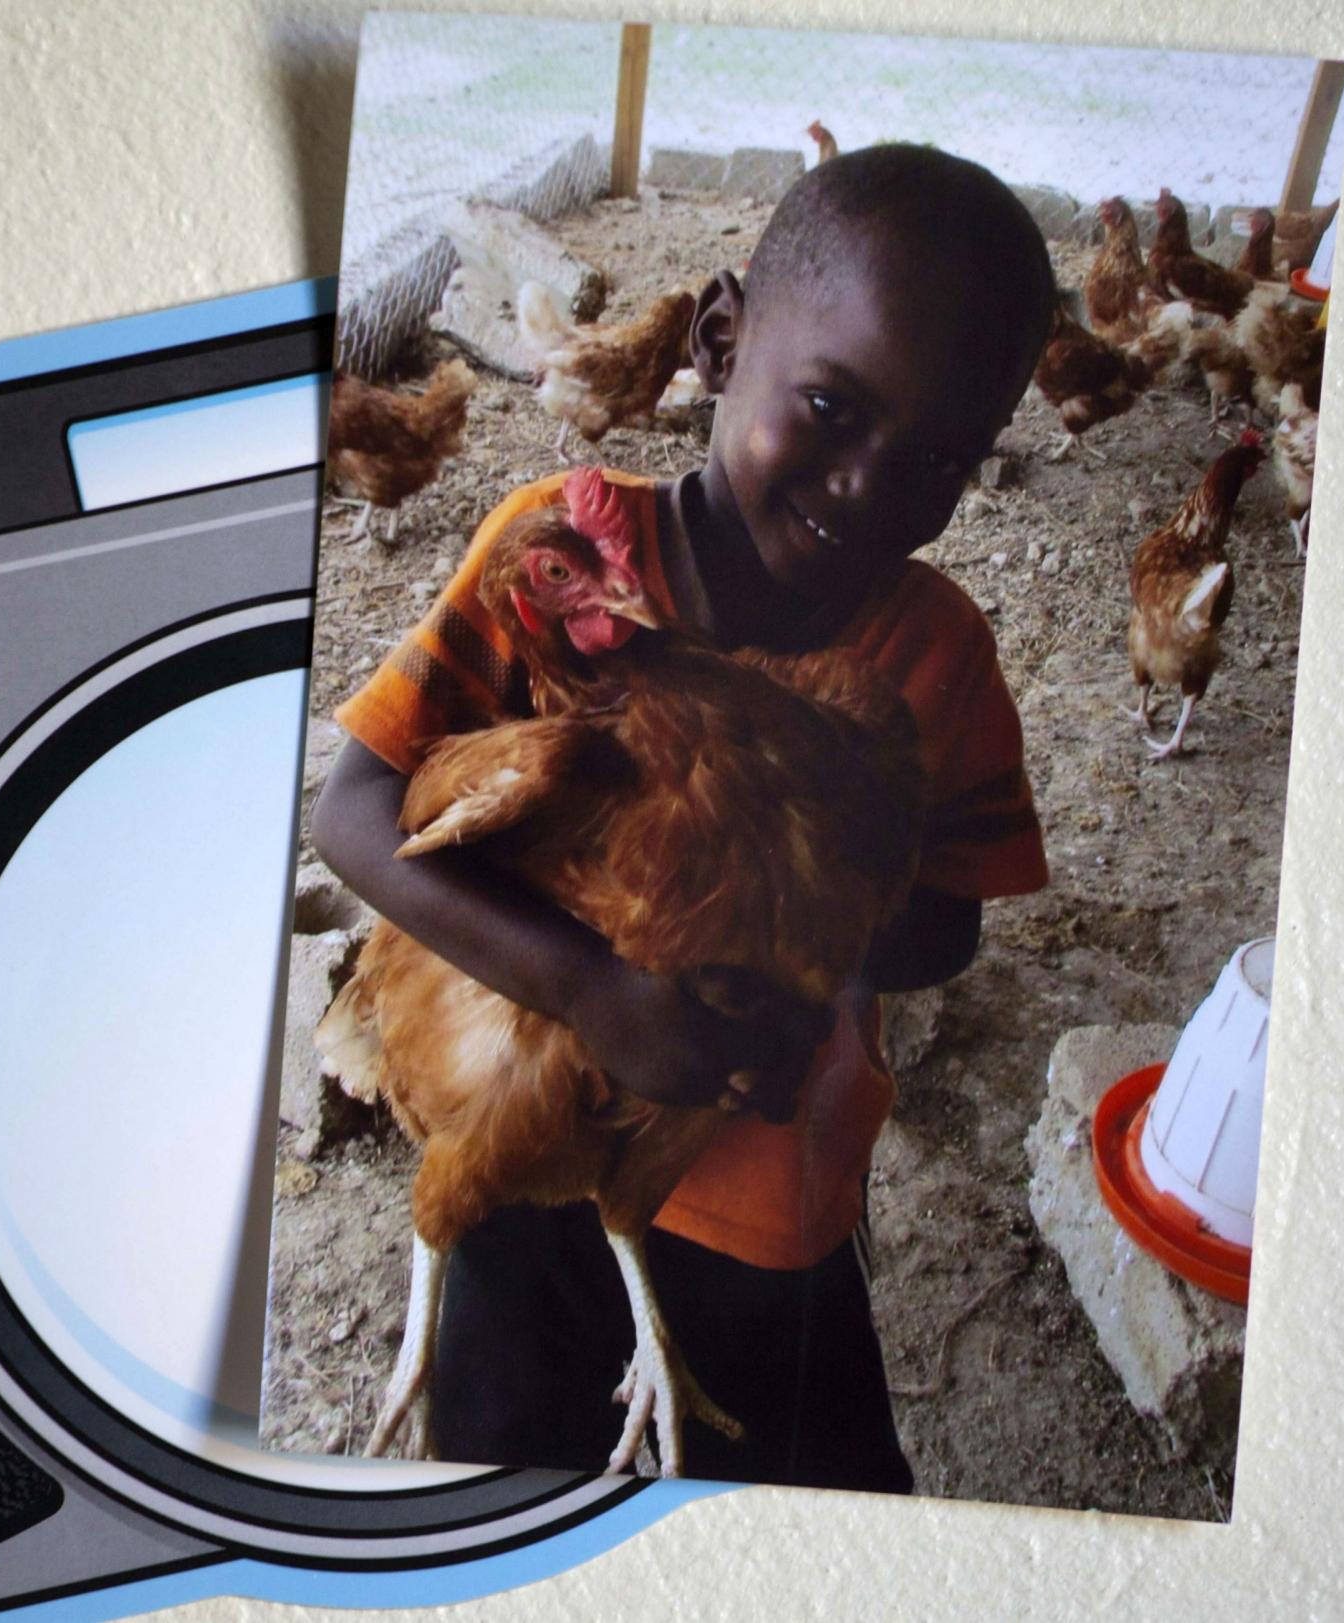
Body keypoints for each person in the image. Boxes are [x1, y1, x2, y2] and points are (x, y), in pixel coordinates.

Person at [312, 143, 1053, 1492]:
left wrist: (797, 962)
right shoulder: (560, 557)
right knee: (501, 1471)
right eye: (830, 407)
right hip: (518, 1129)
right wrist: (594, 990)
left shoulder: (934, 654)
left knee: (803, 1481)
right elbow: (353, 813)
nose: (866, 486)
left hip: (765, 1175)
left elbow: (949, 922)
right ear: (720, 341)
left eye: (937, 458)